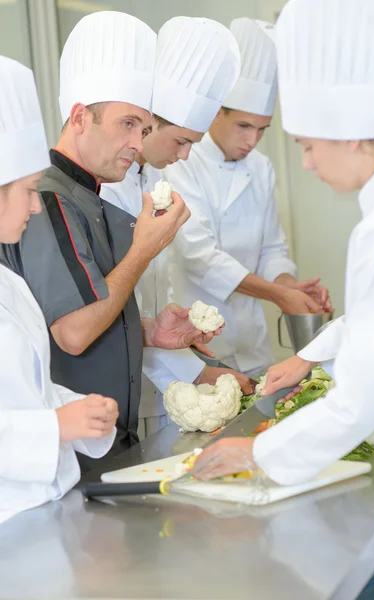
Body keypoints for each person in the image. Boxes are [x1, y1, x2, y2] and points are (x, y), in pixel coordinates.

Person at [191, 0, 374, 494]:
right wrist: (312, 354)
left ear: (348, 137)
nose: (305, 164)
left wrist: (262, 452)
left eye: (306, 145)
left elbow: (368, 390)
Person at [0, 12, 221, 468]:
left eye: (143, 129)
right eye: (127, 124)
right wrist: (144, 248)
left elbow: (59, 318)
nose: (137, 143)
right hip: (70, 453)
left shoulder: (89, 199)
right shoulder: (52, 200)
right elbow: (74, 332)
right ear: (80, 117)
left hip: (102, 440)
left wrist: (148, 331)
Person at [102, 16, 251, 438]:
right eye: (181, 141)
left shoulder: (149, 180)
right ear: (147, 124)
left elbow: (149, 302)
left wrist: (190, 349)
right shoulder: (107, 193)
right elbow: (108, 311)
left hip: (163, 384)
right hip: (127, 393)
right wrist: (196, 371)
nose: (185, 156)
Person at [165, 18, 331, 378]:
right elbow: (199, 256)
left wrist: (290, 287)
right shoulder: (180, 161)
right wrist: (276, 295)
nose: (253, 140)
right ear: (215, 115)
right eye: (244, 126)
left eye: (262, 129)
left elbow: (272, 249)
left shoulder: (261, 167)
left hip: (251, 344)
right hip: (193, 347)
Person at [0, 56, 119, 525]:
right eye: (29, 191)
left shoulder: (9, 284)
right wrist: (54, 427)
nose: (35, 206)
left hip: (47, 507)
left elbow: (26, 393)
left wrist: (80, 411)